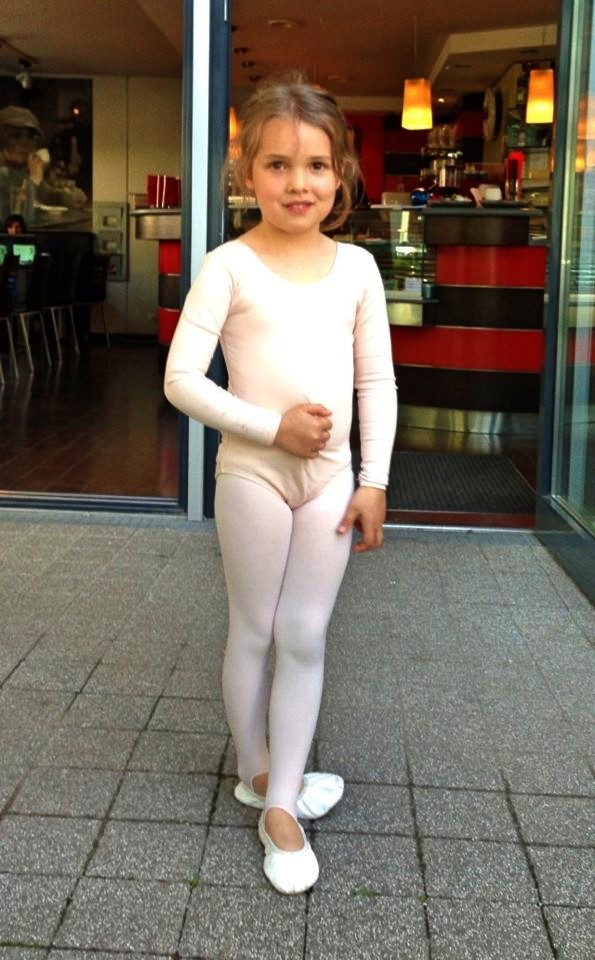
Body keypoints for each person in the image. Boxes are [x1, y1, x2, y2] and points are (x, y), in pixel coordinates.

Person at [164, 77, 397, 895]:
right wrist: (272, 429)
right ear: (247, 175)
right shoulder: (228, 266)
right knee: (255, 629)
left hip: (331, 480)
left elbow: (376, 381)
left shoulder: (358, 268)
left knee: (305, 634)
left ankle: (281, 798)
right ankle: (255, 769)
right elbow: (181, 380)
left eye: (316, 166)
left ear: (341, 176)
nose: (298, 183)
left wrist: (374, 480)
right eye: (277, 164)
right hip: (253, 475)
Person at [0, 105, 87, 227]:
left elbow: (44, 194)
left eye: (30, 137)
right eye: (16, 136)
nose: (25, 143)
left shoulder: (17, 171)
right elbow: (20, 223)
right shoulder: (3, 175)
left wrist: (67, 197)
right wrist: (34, 180)